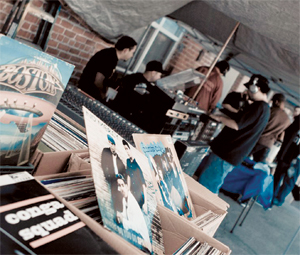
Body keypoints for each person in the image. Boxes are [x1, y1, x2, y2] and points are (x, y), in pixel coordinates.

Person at [197, 74, 271, 194]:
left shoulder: (258, 107)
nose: (248, 91)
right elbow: (240, 120)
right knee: (210, 183)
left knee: (207, 186)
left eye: (250, 88)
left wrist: (220, 119)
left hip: (227, 152)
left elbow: (237, 125)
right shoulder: (264, 108)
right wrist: (222, 115)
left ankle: (201, 211)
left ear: (256, 88)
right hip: (230, 153)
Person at [113, 60, 172, 132]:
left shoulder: (133, 77)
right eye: (159, 75)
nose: (159, 78)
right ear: (153, 73)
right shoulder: (139, 81)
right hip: (124, 116)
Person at [78, 36, 137, 102]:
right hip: (86, 94)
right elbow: (98, 81)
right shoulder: (109, 57)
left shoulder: (111, 54)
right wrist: (103, 94)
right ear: (125, 50)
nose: (132, 56)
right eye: (132, 52)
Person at [115, 174, 152, 252]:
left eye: (122, 185)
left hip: (143, 241)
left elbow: (137, 227)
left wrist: (123, 220)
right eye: (119, 186)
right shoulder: (124, 199)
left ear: (126, 186)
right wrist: (120, 215)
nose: (121, 189)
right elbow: (125, 215)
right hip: (135, 235)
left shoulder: (132, 203)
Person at [251, 93, 291, 163]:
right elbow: (281, 135)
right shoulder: (287, 120)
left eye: (272, 101)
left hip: (257, 140)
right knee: (257, 166)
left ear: (276, 102)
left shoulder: (270, 111)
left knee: (242, 160)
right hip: (268, 145)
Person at [272, 114, 300, 206]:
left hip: (295, 159)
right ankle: (274, 197)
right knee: (282, 177)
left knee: (287, 179)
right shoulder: (297, 122)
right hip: (290, 156)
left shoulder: (297, 122)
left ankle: (277, 199)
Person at [101, 134, 126, 212]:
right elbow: (103, 163)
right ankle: (118, 211)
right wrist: (107, 175)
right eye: (110, 144)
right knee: (115, 190)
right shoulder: (105, 151)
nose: (112, 146)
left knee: (122, 190)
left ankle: (122, 209)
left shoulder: (117, 156)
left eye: (113, 144)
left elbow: (123, 168)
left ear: (115, 146)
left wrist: (121, 177)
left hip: (119, 177)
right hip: (111, 176)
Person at [122, 139, 148, 213]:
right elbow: (129, 176)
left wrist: (145, 204)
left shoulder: (137, 166)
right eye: (125, 149)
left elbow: (144, 186)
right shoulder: (127, 161)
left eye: (127, 149)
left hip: (139, 196)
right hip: (132, 193)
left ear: (131, 149)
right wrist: (128, 189)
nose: (126, 151)